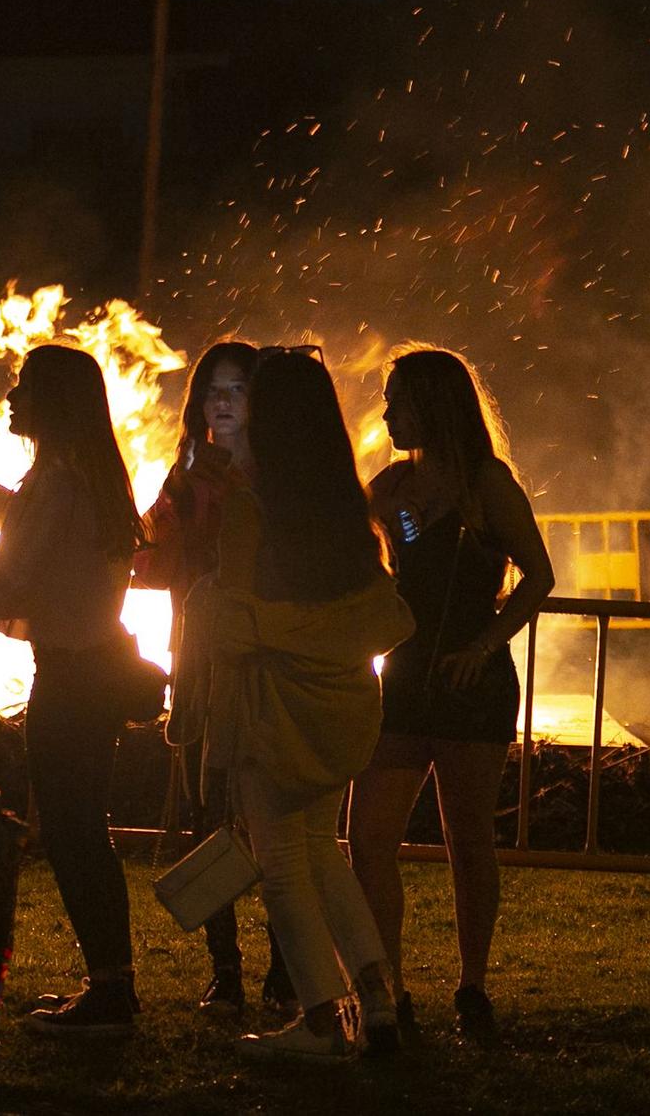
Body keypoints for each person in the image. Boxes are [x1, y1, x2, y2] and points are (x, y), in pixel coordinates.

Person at [204, 349, 415, 1063]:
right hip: (342, 702)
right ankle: (377, 998)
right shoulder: (343, 504)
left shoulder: (250, 502)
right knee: (323, 851)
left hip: (275, 706)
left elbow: (232, 616)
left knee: (284, 865)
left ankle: (322, 1021)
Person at [348, 345, 554, 1045]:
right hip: (402, 682)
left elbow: (538, 575)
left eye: (397, 400)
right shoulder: (387, 489)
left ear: (433, 405)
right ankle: (390, 991)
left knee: (469, 841)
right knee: (368, 838)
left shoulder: (486, 484)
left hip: (472, 687)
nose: (386, 413)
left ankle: (472, 985)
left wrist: (485, 644)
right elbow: (352, 555)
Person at [0, 344, 143, 1037]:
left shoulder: (56, 481)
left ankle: (111, 990)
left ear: (52, 403)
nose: (10, 396)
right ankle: (112, 982)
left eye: (25, 387)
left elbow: (7, 581)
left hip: (72, 676)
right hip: (94, 670)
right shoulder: (81, 476)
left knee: (72, 831)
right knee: (81, 827)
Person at [132, 340, 293, 1016]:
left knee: (275, 816)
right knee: (208, 811)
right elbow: (146, 549)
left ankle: (287, 967)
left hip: (265, 665)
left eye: (236, 389)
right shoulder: (187, 474)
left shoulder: (281, 474)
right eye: (212, 390)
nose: (222, 402)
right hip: (198, 662)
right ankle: (224, 970)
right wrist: (173, 496)